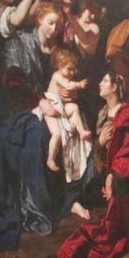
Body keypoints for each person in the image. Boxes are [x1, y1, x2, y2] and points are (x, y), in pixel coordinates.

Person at [54, 66, 129, 258]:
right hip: (108, 173)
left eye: (104, 81)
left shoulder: (128, 113)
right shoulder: (102, 114)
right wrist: (100, 144)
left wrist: (113, 174)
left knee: (119, 184)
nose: (100, 84)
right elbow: (100, 156)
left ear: (116, 86)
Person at [35, 48, 91, 177]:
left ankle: (82, 132)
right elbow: (69, 85)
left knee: (74, 108)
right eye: (69, 69)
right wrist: (80, 85)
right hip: (51, 110)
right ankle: (51, 159)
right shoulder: (57, 76)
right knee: (57, 134)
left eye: (73, 69)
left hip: (60, 109)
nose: (72, 72)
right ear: (60, 66)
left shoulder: (65, 76)